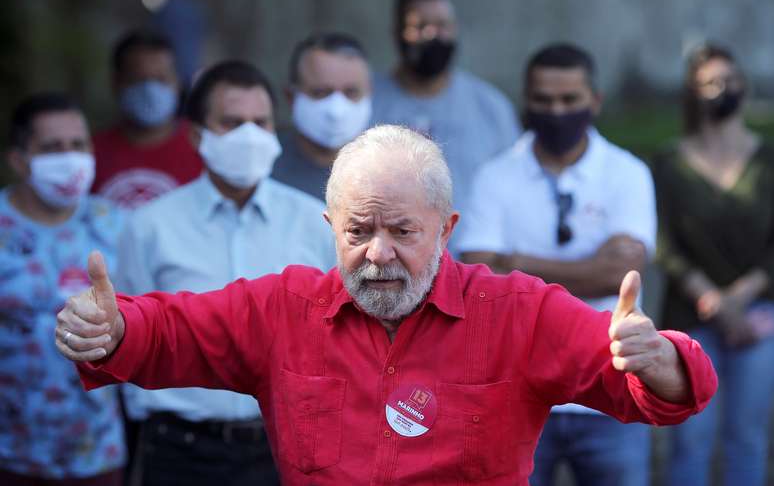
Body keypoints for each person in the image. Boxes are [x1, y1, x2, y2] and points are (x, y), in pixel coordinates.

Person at [56, 125, 716, 486]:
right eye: (357, 232)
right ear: (329, 227)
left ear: (447, 228)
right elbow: (173, 331)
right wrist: (112, 327)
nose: (378, 254)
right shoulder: (283, 308)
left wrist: (658, 358)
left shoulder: (517, 311)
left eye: (402, 231)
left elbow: (649, 386)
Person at [115, 60, 336, 486]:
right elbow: (128, 344)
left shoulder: (316, 223)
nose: (249, 136)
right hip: (179, 449)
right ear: (197, 135)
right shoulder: (150, 227)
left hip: (286, 446)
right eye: (232, 122)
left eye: (260, 122)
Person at [457, 43, 657, 486]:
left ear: (595, 101)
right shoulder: (495, 176)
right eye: (544, 101)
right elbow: (479, 279)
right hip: (517, 389)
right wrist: (590, 264)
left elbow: (618, 275)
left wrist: (515, 263)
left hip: (611, 387)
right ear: (526, 102)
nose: (557, 111)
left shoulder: (627, 174)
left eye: (570, 100)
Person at [652, 44, 774, 486]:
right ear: (692, 93)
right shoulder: (669, 162)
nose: (723, 90)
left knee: (747, 438)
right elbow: (662, 243)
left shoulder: (768, 159)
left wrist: (738, 297)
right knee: (690, 439)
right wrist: (710, 297)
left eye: (731, 80)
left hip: (759, 317)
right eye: (710, 83)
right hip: (691, 318)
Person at [0, 93, 125, 485]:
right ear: (19, 159)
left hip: (100, 452)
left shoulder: (114, 223)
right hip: (12, 454)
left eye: (78, 145)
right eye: (53, 147)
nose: (70, 158)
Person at [370, 0, 520, 254]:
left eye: (442, 26)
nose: (432, 35)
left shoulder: (491, 107)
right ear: (397, 32)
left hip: (474, 270)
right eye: (420, 26)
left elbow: (516, 189)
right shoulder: (366, 102)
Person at [91, 30, 202, 209]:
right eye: (138, 79)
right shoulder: (90, 153)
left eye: (161, 79)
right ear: (116, 83)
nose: (150, 90)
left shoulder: (203, 148)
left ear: (178, 82)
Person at [272, 32, 372, 200]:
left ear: (369, 93)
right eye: (321, 93)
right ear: (290, 97)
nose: (336, 110)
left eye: (351, 92)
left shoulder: (389, 174)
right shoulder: (262, 169)